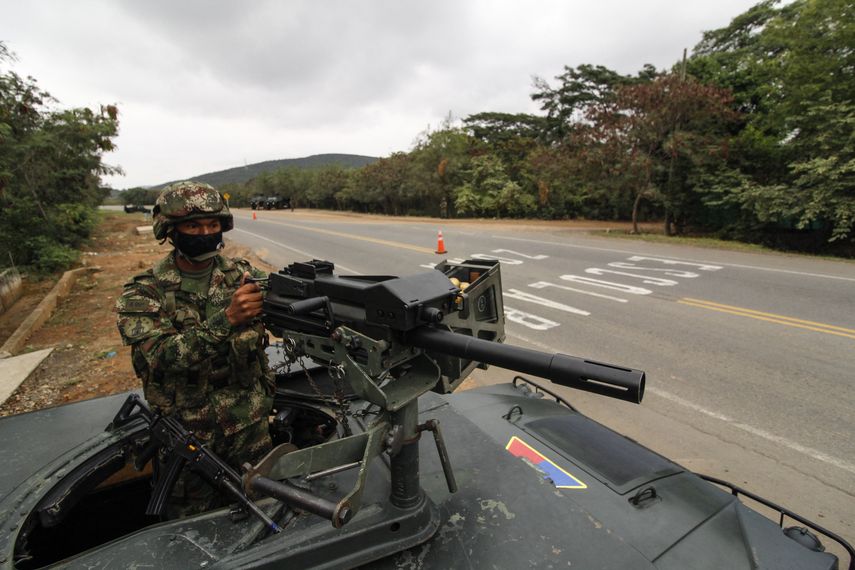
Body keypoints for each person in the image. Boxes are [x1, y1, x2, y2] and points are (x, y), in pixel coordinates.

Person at [116, 181, 274, 518]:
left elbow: (289, 306)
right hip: (188, 438)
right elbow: (161, 356)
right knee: (191, 527)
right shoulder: (144, 293)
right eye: (193, 226)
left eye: (212, 225)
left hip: (249, 427)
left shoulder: (243, 276)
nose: (205, 232)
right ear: (170, 230)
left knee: (265, 513)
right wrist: (228, 319)